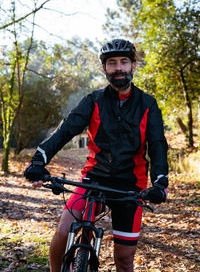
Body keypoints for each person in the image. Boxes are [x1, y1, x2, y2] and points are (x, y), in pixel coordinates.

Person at [24, 38, 168, 272]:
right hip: (94, 178)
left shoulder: (148, 105)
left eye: (124, 62)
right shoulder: (93, 100)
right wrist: (38, 161)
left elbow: (158, 145)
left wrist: (160, 183)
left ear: (133, 66)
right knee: (63, 231)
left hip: (131, 186)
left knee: (124, 260)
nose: (118, 68)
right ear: (104, 68)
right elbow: (65, 130)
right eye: (112, 63)